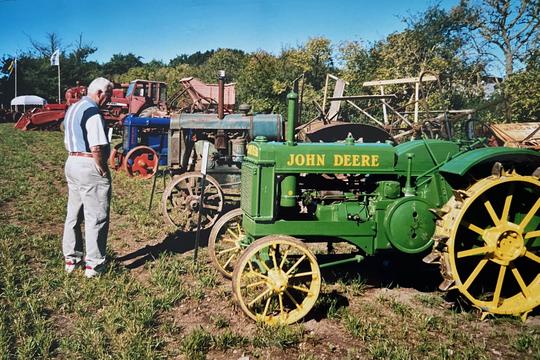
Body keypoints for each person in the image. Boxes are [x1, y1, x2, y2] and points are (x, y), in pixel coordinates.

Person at [62, 77, 113, 278]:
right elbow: (97, 146)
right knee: (96, 216)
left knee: (73, 214)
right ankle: (94, 266)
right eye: (107, 95)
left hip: (72, 162)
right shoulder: (93, 112)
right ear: (100, 93)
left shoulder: (73, 109)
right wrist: (101, 168)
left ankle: (71, 259)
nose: (108, 100)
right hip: (88, 164)